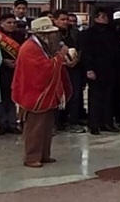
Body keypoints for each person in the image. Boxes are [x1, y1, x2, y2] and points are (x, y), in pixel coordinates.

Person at [12, 17, 73, 168]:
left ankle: (44, 154)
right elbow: (43, 69)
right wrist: (60, 56)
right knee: (35, 127)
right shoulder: (29, 48)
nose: (54, 36)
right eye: (51, 33)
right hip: (34, 92)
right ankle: (31, 157)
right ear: (41, 34)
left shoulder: (42, 46)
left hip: (45, 91)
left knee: (46, 126)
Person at [80, 9, 120, 135]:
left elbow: (116, 50)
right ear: (96, 18)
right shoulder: (88, 34)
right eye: (102, 16)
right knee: (95, 98)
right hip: (95, 69)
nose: (105, 18)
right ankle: (94, 124)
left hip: (110, 69)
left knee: (108, 98)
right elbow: (86, 53)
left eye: (106, 16)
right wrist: (89, 69)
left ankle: (107, 122)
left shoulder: (112, 32)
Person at [0, 14, 26, 135]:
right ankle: (2, 123)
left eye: (14, 23)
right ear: (1, 24)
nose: (12, 25)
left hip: (17, 70)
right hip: (0, 70)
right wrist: (3, 61)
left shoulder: (20, 36)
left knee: (13, 98)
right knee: (0, 98)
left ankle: (12, 123)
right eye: (9, 23)